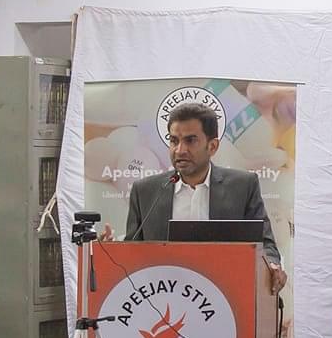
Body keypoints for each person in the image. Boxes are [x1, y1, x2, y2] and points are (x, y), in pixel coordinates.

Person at [122, 102, 287, 294]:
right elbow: (130, 252)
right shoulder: (145, 192)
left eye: (190, 141)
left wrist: (272, 265)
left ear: (212, 146)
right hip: (162, 298)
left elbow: (265, 243)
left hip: (227, 297)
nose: (179, 150)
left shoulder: (242, 187)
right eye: (174, 141)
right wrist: (107, 249)